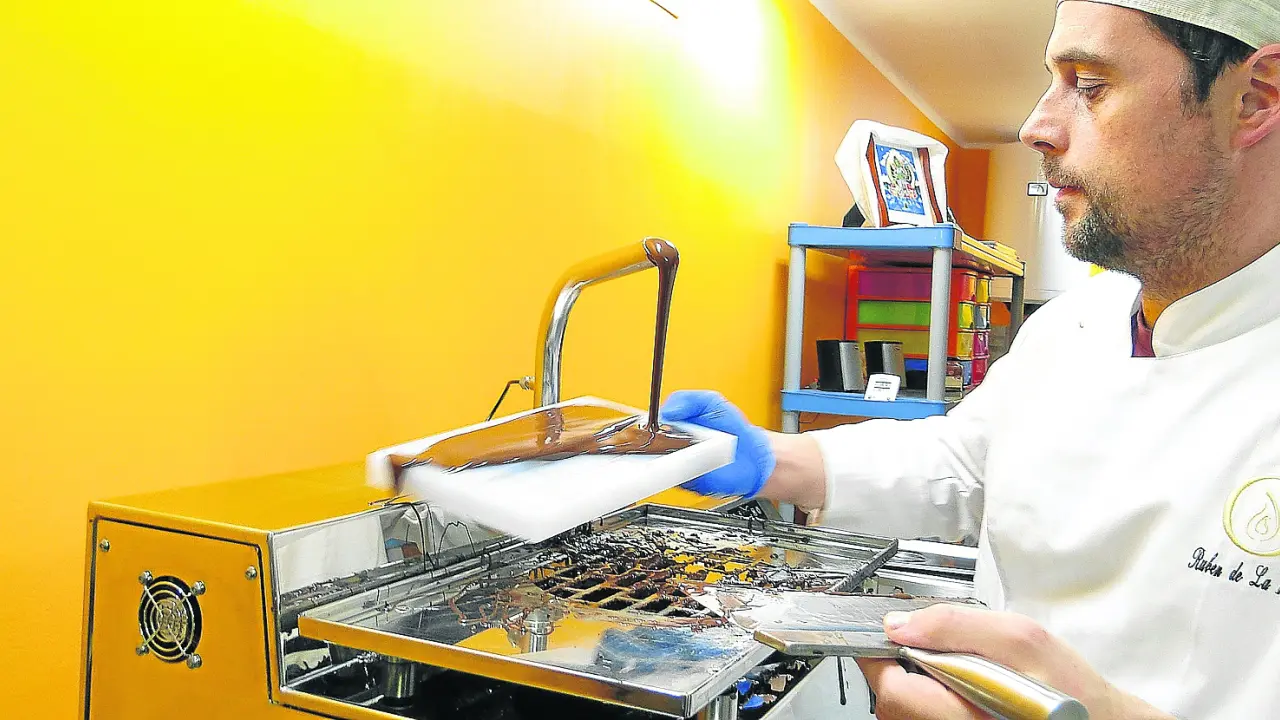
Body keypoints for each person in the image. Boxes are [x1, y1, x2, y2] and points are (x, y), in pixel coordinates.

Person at [662, 1, 1280, 718]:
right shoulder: (1071, 323)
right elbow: (965, 459)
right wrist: (773, 459)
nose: (1036, 126)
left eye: (1090, 84)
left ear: (1252, 100)